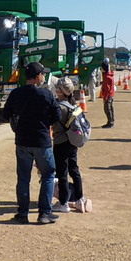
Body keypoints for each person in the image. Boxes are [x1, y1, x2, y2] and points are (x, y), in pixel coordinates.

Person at [2, 61, 61, 225]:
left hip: (22, 141)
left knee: (23, 178)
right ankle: (44, 213)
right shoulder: (46, 94)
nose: (43, 77)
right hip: (42, 141)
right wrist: (45, 122)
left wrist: (17, 120)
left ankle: (22, 213)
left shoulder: (16, 94)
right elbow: (57, 116)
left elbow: (5, 114)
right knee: (48, 175)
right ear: (37, 77)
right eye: (42, 74)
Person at [50, 76, 93, 214]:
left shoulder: (60, 108)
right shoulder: (74, 106)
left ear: (61, 91)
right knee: (74, 169)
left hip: (61, 142)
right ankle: (79, 199)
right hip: (72, 142)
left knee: (62, 172)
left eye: (57, 88)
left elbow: (52, 123)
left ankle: (63, 203)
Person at [100, 61, 115, 128]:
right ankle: (111, 121)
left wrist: (105, 97)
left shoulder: (106, 77)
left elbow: (106, 89)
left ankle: (110, 122)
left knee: (107, 109)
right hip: (111, 94)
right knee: (111, 108)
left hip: (108, 95)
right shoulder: (109, 75)